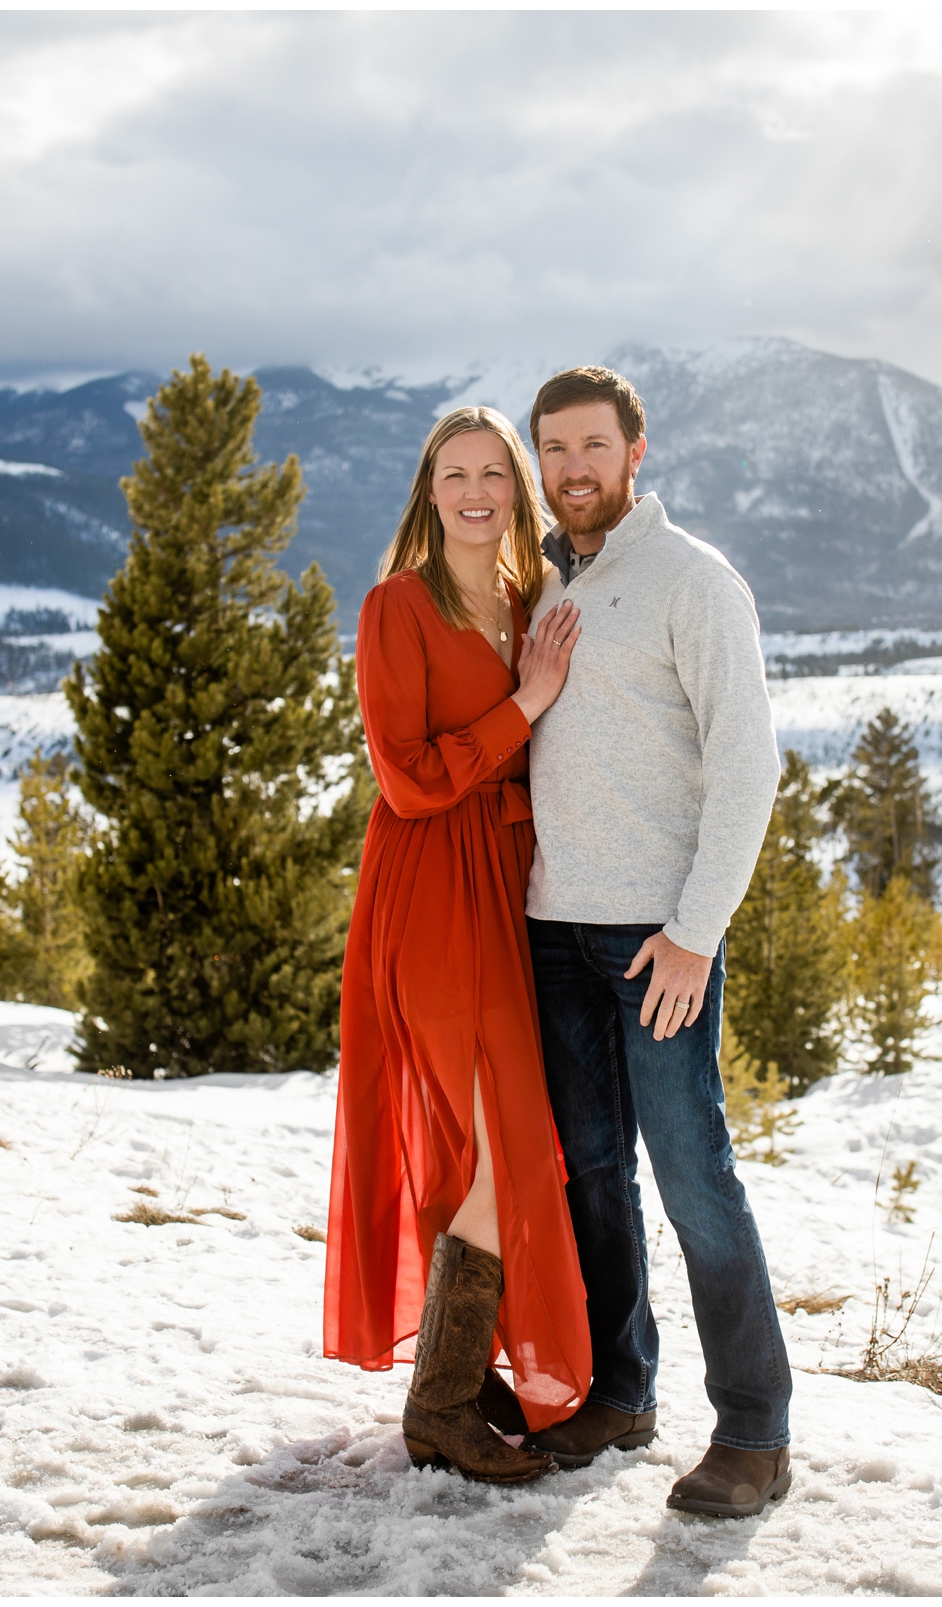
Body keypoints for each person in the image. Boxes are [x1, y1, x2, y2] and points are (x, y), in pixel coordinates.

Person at [517, 366, 795, 1518]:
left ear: (637, 450)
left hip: (655, 940)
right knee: (589, 1170)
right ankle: (623, 1390)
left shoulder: (695, 580)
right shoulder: (539, 580)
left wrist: (694, 932)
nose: (572, 468)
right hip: (551, 926)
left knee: (692, 1175)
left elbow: (749, 766)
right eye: (554, 449)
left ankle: (754, 1431)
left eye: (592, 445)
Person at [322, 405, 591, 1484]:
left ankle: (466, 1379)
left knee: (490, 1135)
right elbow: (408, 776)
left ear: (515, 491)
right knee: (498, 1138)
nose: (475, 489)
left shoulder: (529, 599)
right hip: (430, 890)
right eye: (454, 473)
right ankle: (440, 1406)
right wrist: (526, 700)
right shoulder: (398, 606)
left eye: (494, 472)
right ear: (429, 491)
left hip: (504, 888)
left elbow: (538, 763)